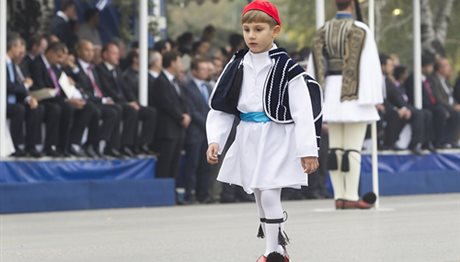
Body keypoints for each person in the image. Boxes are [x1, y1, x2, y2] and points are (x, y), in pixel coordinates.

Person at [206, 1, 321, 261]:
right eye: (247, 29)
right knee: (259, 192)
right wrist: (216, 140)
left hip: (278, 135)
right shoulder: (236, 65)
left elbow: (303, 112)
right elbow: (223, 106)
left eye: (258, 29)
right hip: (248, 135)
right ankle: (279, 248)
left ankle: (270, 253)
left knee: (269, 191)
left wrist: (307, 149)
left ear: (275, 30)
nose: (251, 35)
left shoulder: (288, 68)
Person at [307, 0, 382, 209]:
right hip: (355, 94)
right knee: (352, 149)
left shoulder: (323, 30)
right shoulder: (360, 29)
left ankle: (339, 196)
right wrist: (373, 97)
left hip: (329, 92)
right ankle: (350, 195)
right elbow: (369, 66)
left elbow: (314, 67)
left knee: (336, 149)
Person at [150, 51, 191, 179]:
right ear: (172, 63)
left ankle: (171, 193)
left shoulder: (176, 81)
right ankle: (163, 194)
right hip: (166, 130)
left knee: (175, 165)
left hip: (178, 130)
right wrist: (181, 117)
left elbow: (183, 100)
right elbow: (166, 103)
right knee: (165, 164)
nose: (180, 64)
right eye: (178, 61)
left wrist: (187, 114)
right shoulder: (160, 81)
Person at [6, 33, 44, 158]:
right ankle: (15, 145)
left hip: (14, 100)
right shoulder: (3, 63)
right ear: (13, 47)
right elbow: (8, 86)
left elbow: (17, 86)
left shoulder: (12, 64)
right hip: (5, 101)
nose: (22, 52)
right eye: (20, 47)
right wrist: (25, 86)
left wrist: (28, 98)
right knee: (19, 109)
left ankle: (31, 145)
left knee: (35, 108)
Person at [183, 58, 212, 204]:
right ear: (194, 71)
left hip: (208, 133)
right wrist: (207, 124)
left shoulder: (208, 87)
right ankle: (189, 194)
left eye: (207, 69)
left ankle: (204, 194)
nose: (206, 71)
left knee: (206, 166)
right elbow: (192, 111)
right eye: (202, 69)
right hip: (196, 132)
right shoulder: (187, 87)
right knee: (192, 165)